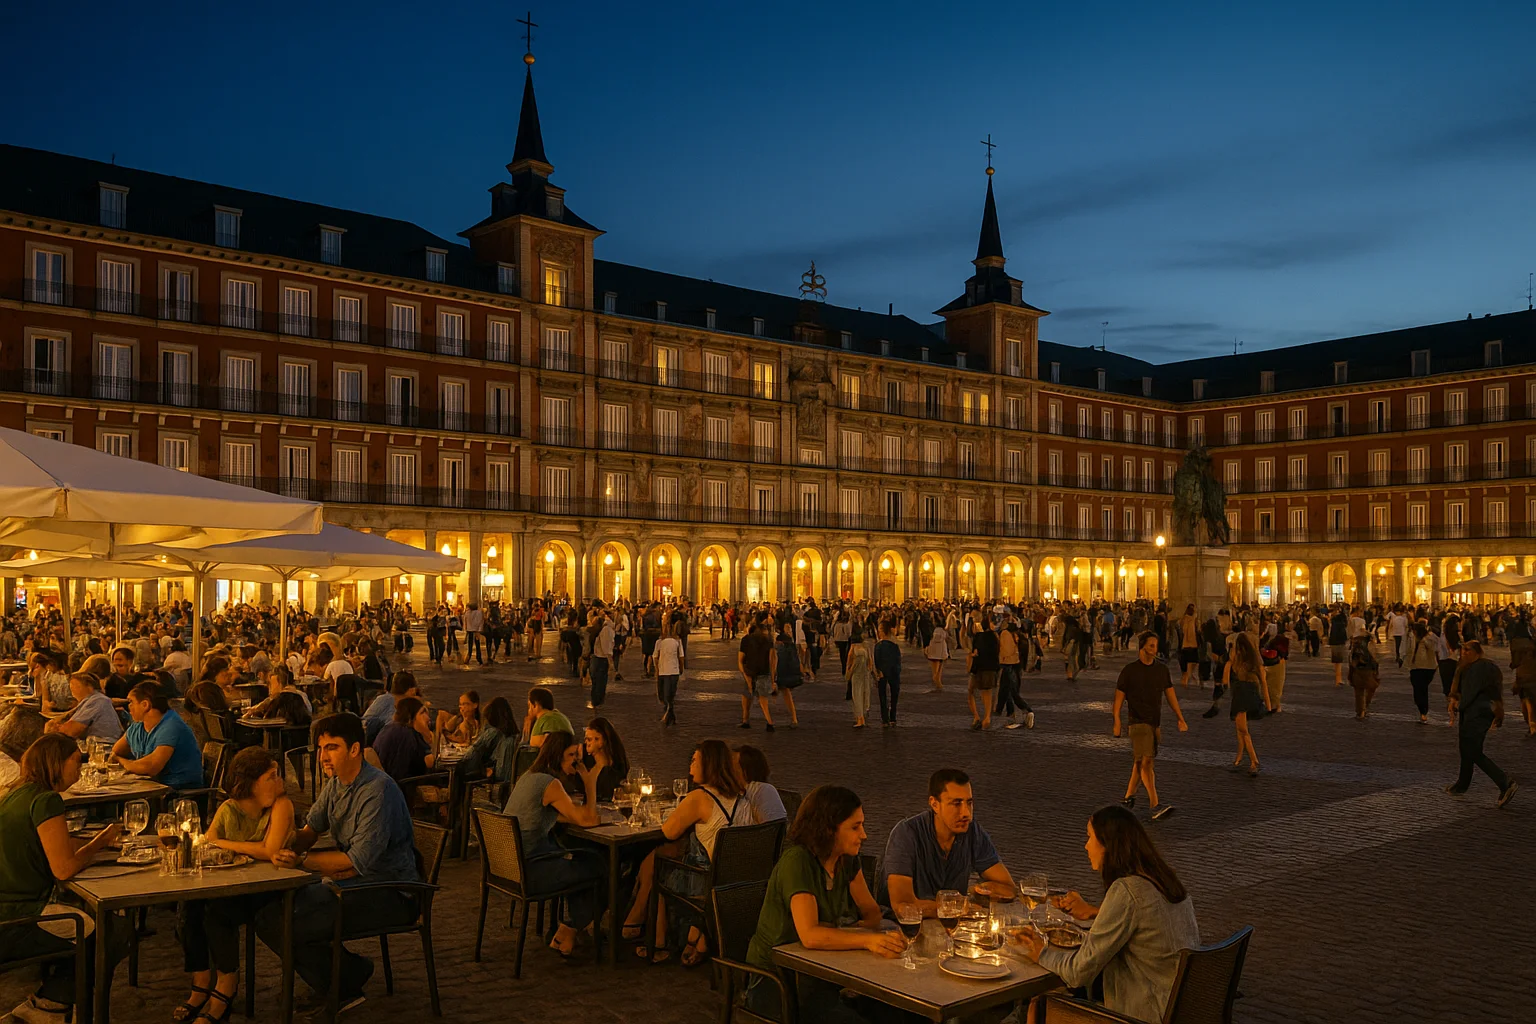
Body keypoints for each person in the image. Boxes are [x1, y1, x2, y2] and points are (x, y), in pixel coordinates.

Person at [208, 713, 417, 1018]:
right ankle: (344, 976)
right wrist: (284, 846)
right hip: (353, 881)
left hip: (392, 891)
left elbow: (354, 862)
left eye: (332, 747)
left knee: (288, 918)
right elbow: (310, 831)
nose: (322, 756)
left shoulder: (376, 790)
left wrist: (303, 862)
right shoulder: (337, 785)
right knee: (269, 913)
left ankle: (344, 982)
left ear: (355, 750)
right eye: (320, 748)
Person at [1009, 805, 1200, 1024]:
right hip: (1179, 1008)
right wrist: (1096, 912)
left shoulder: (1127, 891)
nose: (1086, 846)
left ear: (1108, 845)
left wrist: (1040, 951)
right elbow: (1148, 921)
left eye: (1090, 838)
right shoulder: (1166, 881)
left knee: (1038, 1005)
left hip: (1143, 1014)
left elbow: (1079, 972)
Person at [744, 785, 904, 1022]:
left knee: (901, 1014)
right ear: (828, 829)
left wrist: (876, 935)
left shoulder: (846, 860)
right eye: (855, 827)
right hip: (779, 982)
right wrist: (867, 939)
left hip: (824, 976)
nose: (864, 835)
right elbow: (810, 935)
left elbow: (871, 912)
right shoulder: (798, 861)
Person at [1, 735, 126, 1023]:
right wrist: (99, 843)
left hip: (8, 908)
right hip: (19, 918)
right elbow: (64, 869)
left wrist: (87, 842)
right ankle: (53, 1007)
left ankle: (49, 1002)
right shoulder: (46, 800)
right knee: (110, 930)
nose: (81, 767)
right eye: (76, 760)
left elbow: (47, 842)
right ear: (56, 762)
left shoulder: (16, 794)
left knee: (86, 920)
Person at [175, 748, 295, 1023]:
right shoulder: (229, 808)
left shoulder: (281, 805)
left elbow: (271, 850)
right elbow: (206, 839)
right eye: (272, 776)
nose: (280, 782)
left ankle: (226, 984)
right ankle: (201, 978)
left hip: (268, 888)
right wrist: (232, 845)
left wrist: (224, 844)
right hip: (233, 882)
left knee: (218, 911)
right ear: (250, 783)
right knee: (189, 905)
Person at [625, 740, 746, 964]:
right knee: (664, 854)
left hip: (705, 880)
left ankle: (658, 943)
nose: (689, 766)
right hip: (736, 877)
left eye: (694, 761)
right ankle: (692, 935)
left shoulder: (700, 797)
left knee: (655, 866)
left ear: (708, 765)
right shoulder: (740, 797)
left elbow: (669, 831)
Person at [501, 730, 605, 957]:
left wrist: (574, 812)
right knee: (600, 867)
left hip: (509, 867)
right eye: (571, 756)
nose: (576, 762)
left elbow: (549, 814)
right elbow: (587, 820)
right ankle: (571, 929)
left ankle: (569, 931)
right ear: (556, 755)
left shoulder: (528, 776)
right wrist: (589, 783)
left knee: (582, 861)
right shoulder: (550, 784)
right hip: (532, 869)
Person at [881, 768, 1015, 915]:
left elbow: (1009, 888)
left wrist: (982, 890)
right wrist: (961, 908)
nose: (966, 813)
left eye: (969, 803)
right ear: (934, 804)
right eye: (956, 804)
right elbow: (903, 907)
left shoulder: (972, 832)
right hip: (900, 930)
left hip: (951, 927)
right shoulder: (906, 833)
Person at [1113, 632, 1188, 821]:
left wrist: (1180, 717)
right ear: (1142, 647)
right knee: (1146, 762)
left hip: (1155, 723)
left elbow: (1170, 695)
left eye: (1156, 646)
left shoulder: (1161, 670)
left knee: (1141, 762)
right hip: (1137, 722)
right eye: (1151, 646)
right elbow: (1119, 698)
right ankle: (1155, 805)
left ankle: (1128, 797)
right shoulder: (1130, 671)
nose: (1155, 650)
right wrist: (1117, 720)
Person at [1445, 641, 1518, 807]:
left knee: (1473, 751)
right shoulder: (1473, 667)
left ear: (1476, 652)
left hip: (1477, 713)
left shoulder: (1478, 668)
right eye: (1462, 650)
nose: (1463, 653)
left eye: (1467, 650)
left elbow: (1470, 692)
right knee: (1466, 748)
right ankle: (1462, 784)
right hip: (1478, 712)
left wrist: (1459, 705)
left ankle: (1505, 782)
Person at [112, 680, 204, 789]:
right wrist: (125, 761)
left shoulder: (171, 725)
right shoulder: (138, 726)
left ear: (145, 705)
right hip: (151, 789)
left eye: (131, 702)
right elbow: (116, 752)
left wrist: (123, 762)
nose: (129, 706)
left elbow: (151, 767)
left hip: (178, 794)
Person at [1225, 632, 1272, 776]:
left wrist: (1268, 704)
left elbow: (1264, 683)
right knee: (1240, 729)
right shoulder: (1237, 659)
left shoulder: (1253, 662)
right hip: (1241, 693)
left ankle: (1254, 761)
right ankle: (1239, 759)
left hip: (1246, 694)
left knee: (1243, 730)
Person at [42, 672, 123, 744]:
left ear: (89, 686)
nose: (71, 690)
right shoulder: (88, 701)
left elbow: (71, 731)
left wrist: (55, 729)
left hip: (103, 747)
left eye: (74, 685)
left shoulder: (97, 700)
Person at [371, 696, 437, 783]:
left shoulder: (395, 728)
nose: (428, 718)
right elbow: (403, 771)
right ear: (410, 717)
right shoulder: (404, 735)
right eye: (422, 713)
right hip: (399, 786)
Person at [458, 696, 517, 784]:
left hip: (491, 781)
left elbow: (470, 755)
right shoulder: (513, 736)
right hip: (507, 782)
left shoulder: (492, 732)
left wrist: (484, 771)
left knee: (459, 768)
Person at [738, 616, 776, 731]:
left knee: (746, 696)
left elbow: (740, 660)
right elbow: (772, 660)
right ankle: (769, 722)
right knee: (763, 699)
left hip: (749, 670)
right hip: (764, 671)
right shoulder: (768, 640)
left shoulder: (746, 639)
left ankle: (745, 720)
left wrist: (746, 677)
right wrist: (773, 679)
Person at [362, 672, 419, 747]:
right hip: (380, 745)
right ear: (411, 690)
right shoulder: (387, 700)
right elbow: (366, 722)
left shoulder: (386, 699)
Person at [734, 745, 787, 824]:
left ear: (746, 770)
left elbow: (773, 828)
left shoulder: (763, 790)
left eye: (732, 766)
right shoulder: (734, 794)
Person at [582, 717, 629, 802]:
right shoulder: (587, 761)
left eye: (589, 739)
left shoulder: (612, 770)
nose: (586, 743)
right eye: (585, 739)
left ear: (601, 741)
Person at [1406, 620, 1440, 725]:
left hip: (1427, 667)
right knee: (1418, 689)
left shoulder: (1429, 637)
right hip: (1415, 667)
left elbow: (1436, 647)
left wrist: (1424, 640)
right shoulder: (1413, 638)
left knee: (1421, 688)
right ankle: (1422, 709)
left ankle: (1423, 711)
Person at [842, 623, 874, 729]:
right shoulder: (865, 646)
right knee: (864, 694)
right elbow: (870, 661)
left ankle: (860, 718)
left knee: (857, 695)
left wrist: (847, 672)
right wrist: (870, 671)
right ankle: (863, 716)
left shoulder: (853, 647)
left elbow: (849, 661)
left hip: (856, 674)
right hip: (865, 673)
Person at [872, 618, 903, 728]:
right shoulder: (894, 646)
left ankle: (885, 719)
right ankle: (893, 717)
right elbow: (898, 660)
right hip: (894, 673)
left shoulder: (878, 646)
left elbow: (876, 661)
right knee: (894, 696)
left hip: (882, 673)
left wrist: (877, 673)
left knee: (883, 696)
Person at [654, 621, 685, 726]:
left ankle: (668, 715)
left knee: (665, 696)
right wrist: (681, 668)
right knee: (670, 695)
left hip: (665, 671)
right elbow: (681, 657)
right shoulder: (676, 641)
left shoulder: (660, 642)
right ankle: (670, 715)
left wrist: (657, 670)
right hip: (672, 671)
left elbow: (655, 657)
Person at [1347, 635, 1380, 720]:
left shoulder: (1355, 649)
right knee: (1370, 689)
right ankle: (1364, 707)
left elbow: (1352, 664)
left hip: (1358, 672)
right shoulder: (1370, 647)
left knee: (1359, 693)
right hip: (1369, 671)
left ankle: (1361, 711)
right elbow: (1375, 661)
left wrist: (1350, 675)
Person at [924, 619, 949, 692]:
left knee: (935, 670)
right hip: (941, 653)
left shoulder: (933, 631)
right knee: (939, 669)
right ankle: (938, 682)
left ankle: (937, 681)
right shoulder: (943, 632)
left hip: (933, 652)